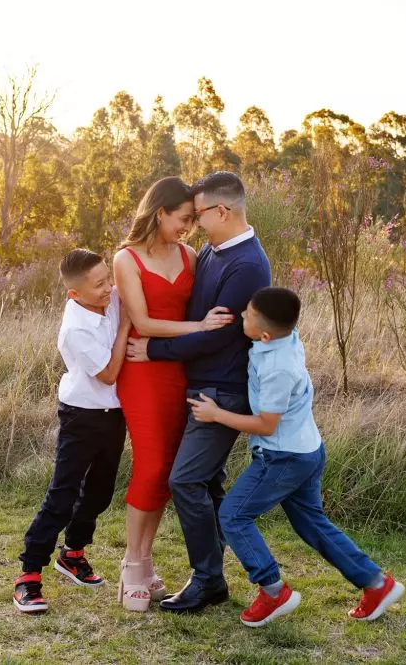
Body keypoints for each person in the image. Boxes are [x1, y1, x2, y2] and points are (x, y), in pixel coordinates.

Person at [188, 287, 405, 627]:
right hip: (307, 450)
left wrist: (216, 414)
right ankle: (376, 584)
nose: (242, 315)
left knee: (233, 515)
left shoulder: (278, 368)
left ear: (263, 333)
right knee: (312, 525)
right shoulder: (284, 337)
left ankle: (273, 591)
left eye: (247, 314)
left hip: (283, 458)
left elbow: (265, 424)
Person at [127, 171, 271, 613]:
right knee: (205, 480)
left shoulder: (247, 264)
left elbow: (217, 336)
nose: (194, 225)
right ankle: (214, 574)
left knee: (184, 479)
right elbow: (197, 316)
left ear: (221, 212)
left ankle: (208, 579)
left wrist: (155, 350)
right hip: (200, 383)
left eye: (200, 215)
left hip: (223, 390)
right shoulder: (213, 251)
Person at [112, 177, 233, 611]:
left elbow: (200, 308)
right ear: (159, 211)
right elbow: (143, 323)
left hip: (179, 371)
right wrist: (198, 327)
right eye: (183, 218)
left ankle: (145, 561)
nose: (188, 227)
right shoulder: (126, 258)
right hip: (143, 372)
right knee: (150, 465)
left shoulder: (191, 256)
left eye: (192, 220)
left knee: (169, 470)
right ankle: (132, 567)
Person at [12, 249, 131, 613]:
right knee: (62, 496)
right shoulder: (75, 329)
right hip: (82, 417)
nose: (109, 288)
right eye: (100, 285)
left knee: (99, 494)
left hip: (114, 416)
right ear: (74, 294)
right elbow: (109, 374)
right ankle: (29, 575)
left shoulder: (109, 296)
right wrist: (126, 325)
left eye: (108, 278)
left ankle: (73, 554)